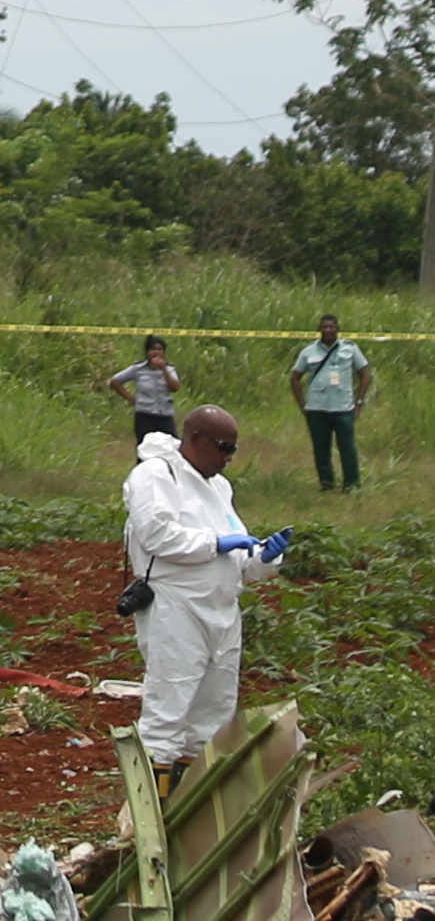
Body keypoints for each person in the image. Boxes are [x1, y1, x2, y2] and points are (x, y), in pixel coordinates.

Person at [122, 405, 291, 799]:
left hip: (222, 612)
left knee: (212, 718)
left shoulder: (219, 488)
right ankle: (151, 814)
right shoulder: (154, 475)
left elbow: (238, 559)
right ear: (195, 439)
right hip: (176, 609)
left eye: (234, 449)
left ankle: (191, 810)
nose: (229, 457)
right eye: (223, 447)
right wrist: (216, 544)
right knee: (169, 709)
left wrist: (264, 557)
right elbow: (157, 535)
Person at [289, 314, 372, 491]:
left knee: (347, 448)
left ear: (337, 328)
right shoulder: (309, 352)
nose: (328, 330)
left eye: (331, 327)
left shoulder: (350, 349)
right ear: (319, 329)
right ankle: (326, 483)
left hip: (343, 407)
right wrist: (303, 404)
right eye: (324, 327)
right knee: (321, 449)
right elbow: (295, 377)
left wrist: (359, 402)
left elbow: (365, 373)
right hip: (317, 408)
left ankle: (352, 484)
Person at [107, 335, 181, 443]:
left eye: (159, 349)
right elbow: (114, 381)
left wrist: (163, 369)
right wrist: (130, 399)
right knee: (145, 449)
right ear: (147, 352)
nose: (156, 352)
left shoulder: (170, 369)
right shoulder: (138, 369)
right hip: (145, 415)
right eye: (152, 349)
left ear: (164, 353)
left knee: (171, 447)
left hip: (165, 415)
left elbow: (175, 387)